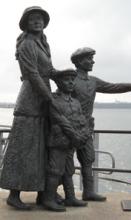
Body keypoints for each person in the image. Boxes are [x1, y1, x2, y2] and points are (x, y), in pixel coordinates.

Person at [70, 47, 131, 201]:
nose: (92, 61)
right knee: (65, 162)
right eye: (89, 58)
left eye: (92, 58)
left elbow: (114, 87)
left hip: (86, 127)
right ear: (79, 61)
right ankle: (63, 195)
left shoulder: (93, 81)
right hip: (69, 127)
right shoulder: (69, 79)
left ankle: (88, 192)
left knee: (88, 159)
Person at [0, 6, 61, 210]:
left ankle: (43, 193)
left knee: (41, 149)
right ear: (26, 23)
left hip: (42, 100)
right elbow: (33, 75)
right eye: (33, 19)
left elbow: (49, 70)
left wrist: (70, 76)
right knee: (23, 149)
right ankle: (13, 194)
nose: (37, 22)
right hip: (30, 101)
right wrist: (50, 98)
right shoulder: (26, 44)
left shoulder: (43, 43)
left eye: (40, 19)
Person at [41, 69, 89, 211]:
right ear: (58, 82)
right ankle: (48, 199)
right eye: (66, 79)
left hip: (71, 143)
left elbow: (82, 120)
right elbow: (61, 121)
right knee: (55, 171)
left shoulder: (75, 102)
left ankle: (70, 197)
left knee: (69, 170)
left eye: (72, 80)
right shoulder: (53, 99)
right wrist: (75, 136)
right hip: (58, 142)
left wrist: (84, 135)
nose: (70, 82)